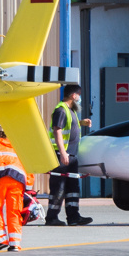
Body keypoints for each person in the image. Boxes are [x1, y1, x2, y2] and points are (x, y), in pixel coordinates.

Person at [0, 130, 33, 252]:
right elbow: (28, 167)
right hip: (17, 181)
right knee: (14, 211)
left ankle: (1, 240)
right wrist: (29, 188)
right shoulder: (18, 148)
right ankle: (15, 244)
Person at [46, 84, 93, 226]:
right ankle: (51, 217)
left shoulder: (70, 110)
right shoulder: (61, 110)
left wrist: (81, 122)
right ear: (74, 96)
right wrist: (63, 153)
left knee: (73, 187)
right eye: (79, 96)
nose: (79, 99)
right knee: (58, 187)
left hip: (71, 156)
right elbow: (57, 130)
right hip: (62, 155)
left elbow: (69, 126)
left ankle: (73, 216)